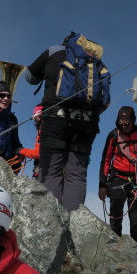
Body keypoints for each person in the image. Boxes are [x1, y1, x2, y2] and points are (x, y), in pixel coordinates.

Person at [25, 34, 107, 211]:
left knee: (51, 173)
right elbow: (103, 98)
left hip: (55, 119)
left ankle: (53, 227)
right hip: (87, 122)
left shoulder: (53, 51)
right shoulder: (95, 60)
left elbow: (29, 78)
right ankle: (73, 226)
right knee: (76, 176)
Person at [98, 106, 137, 245]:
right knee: (115, 214)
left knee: (136, 220)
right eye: (121, 123)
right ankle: (115, 248)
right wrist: (102, 184)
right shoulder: (113, 135)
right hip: (118, 178)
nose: (124, 126)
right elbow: (106, 160)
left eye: (127, 123)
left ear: (133, 122)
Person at [18, 105, 43, 179]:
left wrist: (22, 151)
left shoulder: (43, 129)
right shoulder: (51, 128)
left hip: (45, 169)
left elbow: (37, 153)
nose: (35, 120)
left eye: (35, 118)